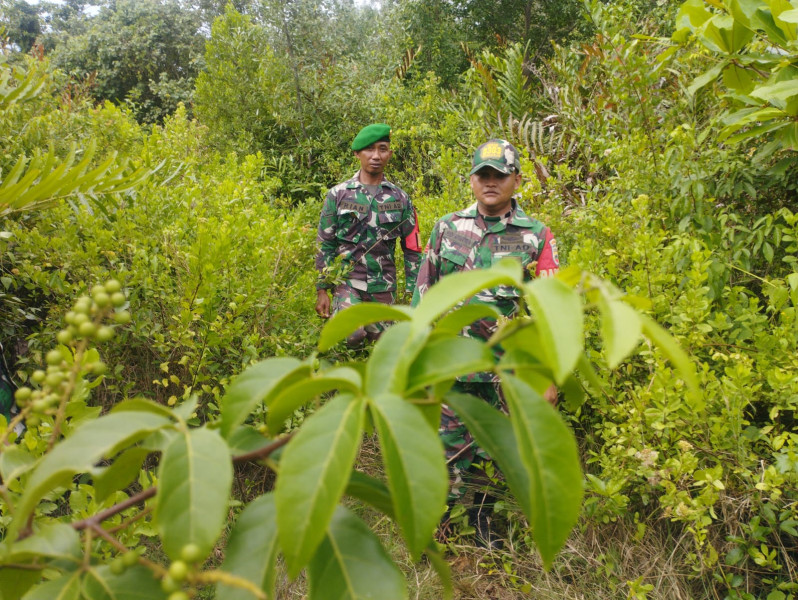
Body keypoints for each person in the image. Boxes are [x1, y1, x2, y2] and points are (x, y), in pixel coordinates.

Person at [411, 139, 559, 542]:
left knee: (495, 450)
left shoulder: (537, 235)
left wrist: (548, 376)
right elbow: (423, 293)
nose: (490, 182)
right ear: (472, 180)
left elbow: (550, 312)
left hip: (504, 371)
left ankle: (482, 522)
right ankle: (437, 524)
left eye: (499, 175)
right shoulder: (446, 227)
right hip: (450, 365)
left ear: (516, 180)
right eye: (483, 175)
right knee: (443, 446)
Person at [315, 123, 421, 347]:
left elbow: (412, 248)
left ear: (389, 154)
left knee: (385, 345)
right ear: (357, 153)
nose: (376, 156)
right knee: (352, 335)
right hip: (347, 283)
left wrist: (415, 294)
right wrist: (322, 289)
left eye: (382, 149)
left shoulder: (400, 198)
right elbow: (325, 242)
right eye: (369, 150)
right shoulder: (338, 195)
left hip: (383, 286)